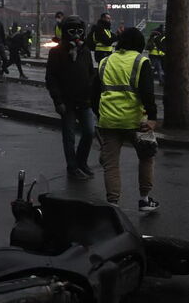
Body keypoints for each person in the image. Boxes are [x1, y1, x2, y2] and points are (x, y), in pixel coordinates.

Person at [90, 27, 160, 211]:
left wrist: (101, 115)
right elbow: (147, 93)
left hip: (109, 122)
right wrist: (152, 117)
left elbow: (94, 94)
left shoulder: (105, 62)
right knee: (146, 157)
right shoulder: (140, 61)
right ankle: (145, 200)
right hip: (137, 122)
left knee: (111, 165)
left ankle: (113, 205)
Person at [46, 16, 97, 180]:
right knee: (69, 137)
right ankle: (72, 167)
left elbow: (91, 73)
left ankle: (81, 162)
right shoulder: (56, 52)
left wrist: (91, 95)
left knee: (89, 132)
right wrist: (57, 100)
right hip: (66, 102)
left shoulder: (85, 50)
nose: (76, 34)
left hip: (84, 101)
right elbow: (51, 78)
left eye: (79, 31)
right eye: (72, 30)